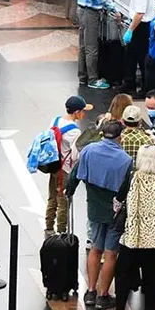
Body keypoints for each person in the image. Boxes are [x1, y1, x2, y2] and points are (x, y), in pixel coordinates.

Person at [99, 144, 155, 310]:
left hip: (135, 237)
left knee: (123, 273)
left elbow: (118, 200)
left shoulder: (133, 178)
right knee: (153, 276)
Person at [65, 120, 133, 310]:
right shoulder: (125, 160)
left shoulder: (88, 151)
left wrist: (69, 191)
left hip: (94, 208)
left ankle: (91, 291)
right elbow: (127, 188)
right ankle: (104, 295)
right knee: (111, 253)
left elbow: (75, 176)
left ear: (103, 134)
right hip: (115, 213)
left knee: (95, 249)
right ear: (120, 136)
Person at [44, 96, 89, 236]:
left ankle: (48, 227)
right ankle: (62, 231)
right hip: (65, 170)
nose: (84, 114)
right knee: (63, 201)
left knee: (52, 197)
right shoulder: (74, 131)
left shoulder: (55, 120)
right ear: (76, 112)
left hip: (53, 165)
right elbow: (75, 155)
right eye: (83, 111)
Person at [75, 0, 115, 90]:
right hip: (90, 13)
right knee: (92, 48)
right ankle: (92, 79)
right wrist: (114, 9)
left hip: (81, 10)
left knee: (83, 46)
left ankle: (82, 77)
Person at [122, 0, 155, 92]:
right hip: (144, 26)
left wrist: (130, 30)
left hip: (140, 27)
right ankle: (129, 83)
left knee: (141, 58)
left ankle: (144, 88)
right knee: (131, 56)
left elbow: (140, 13)